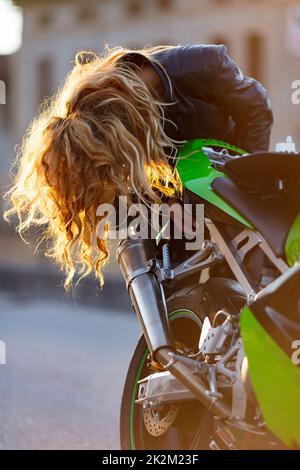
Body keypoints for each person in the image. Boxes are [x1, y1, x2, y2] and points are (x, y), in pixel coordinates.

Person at [4, 44, 273, 288]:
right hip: (181, 199)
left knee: (244, 290)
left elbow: (257, 106)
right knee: (165, 289)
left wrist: (245, 186)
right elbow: (134, 185)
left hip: (239, 186)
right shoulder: (114, 131)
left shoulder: (200, 64)